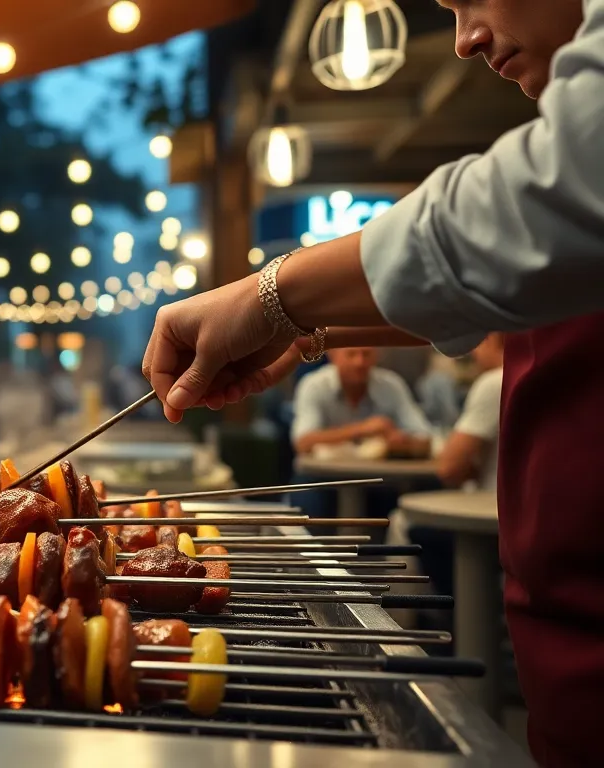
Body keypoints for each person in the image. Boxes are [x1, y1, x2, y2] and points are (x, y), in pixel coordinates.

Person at [140, 2, 601, 761]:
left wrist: (273, 294)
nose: (464, 40)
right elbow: (512, 285)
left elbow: (546, 194)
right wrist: (304, 329)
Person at [292, 347, 431, 458]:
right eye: (351, 354)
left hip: (380, 476)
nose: (359, 362)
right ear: (333, 355)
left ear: (377, 355)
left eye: (366, 354)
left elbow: (425, 437)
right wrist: (363, 429)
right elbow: (302, 443)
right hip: (324, 476)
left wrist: (403, 442)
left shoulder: (392, 385)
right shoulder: (314, 385)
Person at [436, 334, 505, 491]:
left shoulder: (494, 383)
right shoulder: (544, 376)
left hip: (489, 500)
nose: (474, 352)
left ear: (490, 340)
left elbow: (448, 468)